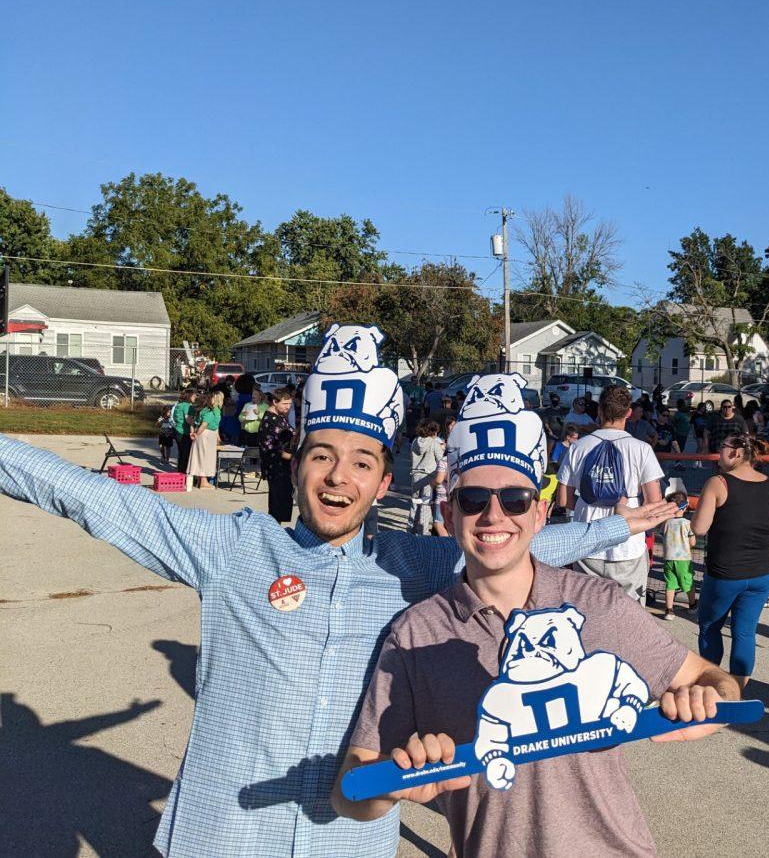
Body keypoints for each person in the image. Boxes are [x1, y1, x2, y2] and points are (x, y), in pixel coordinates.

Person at [0, 331, 674, 858]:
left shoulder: (413, 564)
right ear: (295, 463)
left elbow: (505, 541)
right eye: (321, 455)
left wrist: (615, 527)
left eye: (361, 463)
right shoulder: (232, 550)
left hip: (349, 839)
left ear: (385, 484)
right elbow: (91, 498)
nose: (337, 478)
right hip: (222, 838)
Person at [332, 387, 738, 855]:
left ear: (541, 513)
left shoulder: (597, 604)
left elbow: (716, 682)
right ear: (447, 512)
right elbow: (350, 791)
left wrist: (707, 703)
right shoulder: (416, 634)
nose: (493, 515)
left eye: (516, 499)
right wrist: (391, 785)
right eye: (472, 500)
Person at [691, 433, 769, 689]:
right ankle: (735, 692)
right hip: (761, 574)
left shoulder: (718, 483)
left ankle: (710, 688)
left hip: (725, 574)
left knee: (710, 628)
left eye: (721, 447)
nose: (718, 453)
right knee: (744, 633)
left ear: (735, 453)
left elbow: (700, 528)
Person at [558, 384, 665, 603]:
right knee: (631, 622)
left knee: (588, 619)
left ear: (599, 411)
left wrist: (591, 503)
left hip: (585, 543)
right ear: (628, 412)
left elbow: (563, 500)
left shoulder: (578, 448)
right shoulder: (641, 449)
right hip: (628, 545)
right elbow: (655, 502)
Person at [258, 388, 296, 523]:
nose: (288, 407)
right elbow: (272, 449)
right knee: (276, 505)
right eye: (285, 404)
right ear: (275, 402)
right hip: (276, 468)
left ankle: (276, 532)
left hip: (284, 468)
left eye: (290, 404)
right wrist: (293, 458)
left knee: (282, 502)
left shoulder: (280, 418)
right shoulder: (270, 420)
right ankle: (273, 534)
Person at [661, 488, 698, 619]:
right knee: (687, 583)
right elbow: (692, 543)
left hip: (668, 559)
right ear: (685, 506)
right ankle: (693, 605)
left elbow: (663, 536)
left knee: (670, 584)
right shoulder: (688, 524)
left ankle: (669, 611)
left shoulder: (666, 523)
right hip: (683, 559)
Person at [187, 390, 222, 489]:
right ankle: (203, 481)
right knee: (205, 457)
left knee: (200, 456)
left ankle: (199, 479)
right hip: (205, 435)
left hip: (203, 434)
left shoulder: (203, 410)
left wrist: (193, 432)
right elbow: (204, 424)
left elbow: (194, 422)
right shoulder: (210, 411)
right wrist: (196, 434)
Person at [172, 388, 197, 474]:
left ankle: (180, 471)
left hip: (177, 430)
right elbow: (188, 420)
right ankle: (183, 473)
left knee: (181, 453)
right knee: (185, 454)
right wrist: (197, 423)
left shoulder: (179, 405)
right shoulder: (187, 406)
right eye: (194, 395)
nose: (195, 397)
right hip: (184, 432)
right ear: (189, 396)